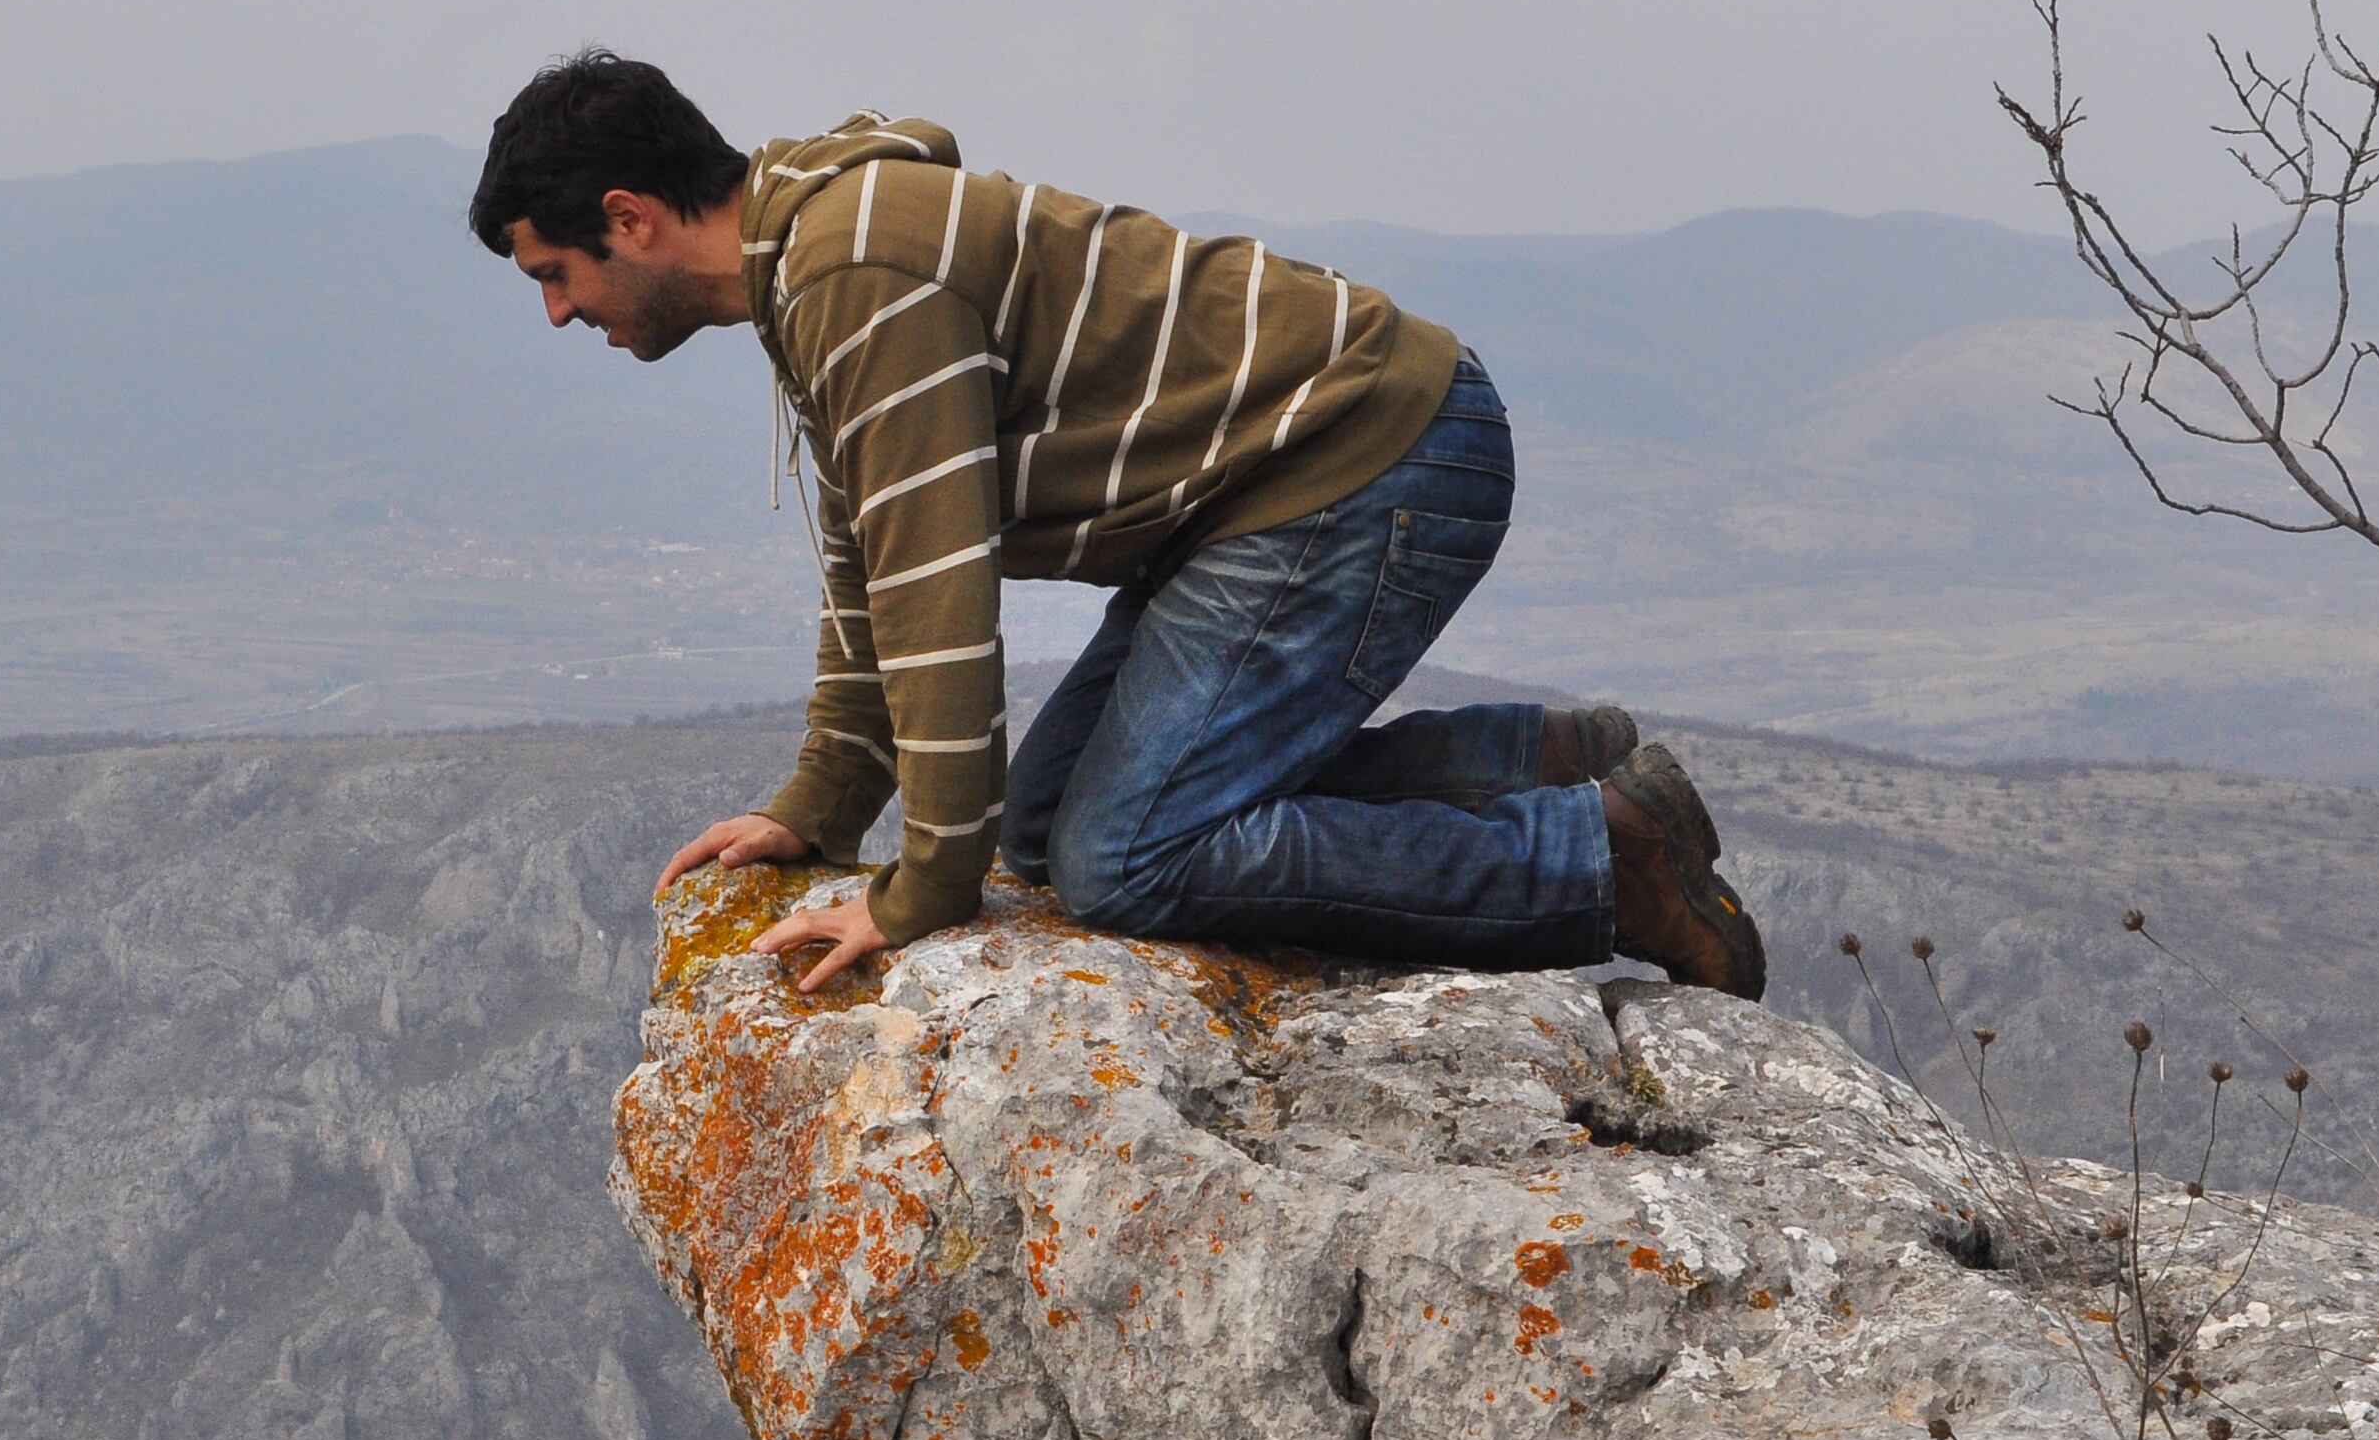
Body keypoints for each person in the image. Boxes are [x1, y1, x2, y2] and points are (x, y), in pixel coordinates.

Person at [466, 50, 1763, 1001]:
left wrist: (921, 886)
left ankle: (1595, 857)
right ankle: (1519, 765)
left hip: (1372, 458)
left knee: (1124, 857)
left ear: (629, 219)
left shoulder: (853, 270)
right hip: (1276, 485)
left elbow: (934, 590)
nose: (559, 316)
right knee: (1045, 830)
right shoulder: (822, 266)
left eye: (554, 275)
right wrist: (825, 803)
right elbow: (871, 549)